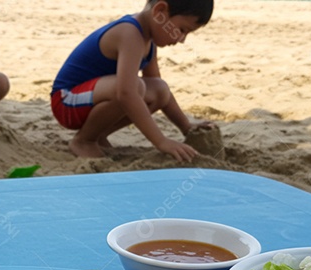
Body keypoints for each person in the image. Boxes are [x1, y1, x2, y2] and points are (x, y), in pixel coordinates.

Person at [51, 0, 215, 162]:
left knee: (159, 90)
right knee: (134, 88)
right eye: (182, 30)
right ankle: (85, 140)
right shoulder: (129, 33)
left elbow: (159, 90)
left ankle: (98, 134)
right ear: (160, 11)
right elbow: (126, 93)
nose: (181, 39)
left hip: (89, 99)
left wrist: (186, 126)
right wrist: (161, 141)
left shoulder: (148, 41)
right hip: (66, 102)